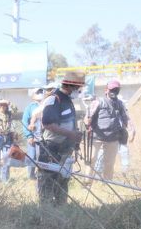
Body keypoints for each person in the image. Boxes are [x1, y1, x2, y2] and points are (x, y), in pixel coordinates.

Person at [38, 70, 85, 205]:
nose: (79, 90)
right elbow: (47, 123)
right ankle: (45, 212)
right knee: (47, 182)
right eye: (78, 87)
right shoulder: (54, 99)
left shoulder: (68, 101)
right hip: (51, 149)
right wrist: (70, 134)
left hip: (65, 150)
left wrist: (75, 139)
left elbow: (68, 123)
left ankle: (61, 210)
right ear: (70, 86)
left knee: (62, 181)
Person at [85, 79, 134, 181]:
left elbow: (126, 117)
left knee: (109, 164)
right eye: (112, 89)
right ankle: (87, 184)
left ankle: (107, 185)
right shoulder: (98, 102)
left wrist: (131, 129)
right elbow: (87, 117)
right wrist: (87, 122)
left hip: (113, 138)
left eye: (116, 90)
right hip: (96, 137)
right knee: (91, 160)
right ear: (106, 90)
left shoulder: (120, 104)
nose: (114, 92)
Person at [22, 88, 45, 179]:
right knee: (32, 157)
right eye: (38, 92)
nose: (40, 94)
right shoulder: (30, 107)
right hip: (33, 138)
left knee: (42, 157)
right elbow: (25, 122)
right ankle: (31, 176)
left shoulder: (47, 105)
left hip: (44, 138)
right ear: (33, 95)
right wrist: (29, 136)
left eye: (41, 92)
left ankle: (41, 175)